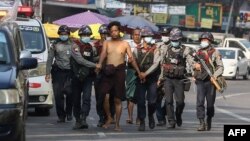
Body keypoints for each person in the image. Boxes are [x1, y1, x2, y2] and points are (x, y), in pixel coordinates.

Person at [96, 21, 141, 131]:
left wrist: (138, 71)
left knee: (117, 100)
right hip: (108, 70)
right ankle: (109, 118)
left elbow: (131, 58)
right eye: (111, 31)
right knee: (104, 96)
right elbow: (103, 54)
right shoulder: (107, 42)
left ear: (119, 31)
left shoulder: (125, 44)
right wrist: (99, 64)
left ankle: (117, 124)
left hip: (120, 72)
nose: (114, 33)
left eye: (115, 30)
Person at [158, 27, 195, 128]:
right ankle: (171, 121)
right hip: (168, 78)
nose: (174, 42)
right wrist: (160, 78)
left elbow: (191, 61)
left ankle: (178, 115)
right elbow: (162, 64)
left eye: (176, 40)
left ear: (180, 39)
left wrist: (194, 70)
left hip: (179, 79)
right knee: (168, 101)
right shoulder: (166, 48)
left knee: (180, 102)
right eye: (173, 40)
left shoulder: (185, 49)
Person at [193, 32, 224, 131]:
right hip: (200, 80)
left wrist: (214, 76)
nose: (203, 42)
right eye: (202, 40)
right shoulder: (197, 52)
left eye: (205, 40)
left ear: (210, 41)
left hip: (211, 82)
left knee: (210, 104)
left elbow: (221, 67)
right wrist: (194, 66)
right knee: (200, 102)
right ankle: (201, 122)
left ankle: (209, 118)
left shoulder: (215, 52)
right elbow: (191, 63)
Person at [70, 25, 99, 129]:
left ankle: (83, 118)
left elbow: (92, 59)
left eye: (88, 35)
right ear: (80, 35)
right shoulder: (74, 46)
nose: (86, 36)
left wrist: (102, 56)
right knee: (76, 99)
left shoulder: (90, 47)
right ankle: (77, 120)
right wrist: (95, 65)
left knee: (87, 98)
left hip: (87, 77)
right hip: (76, 76)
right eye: (84, 35)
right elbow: (80, 60)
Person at [134, 27, 162, 131]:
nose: (148, 38)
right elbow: (133, 62)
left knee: (152, 102)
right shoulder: (137, 49)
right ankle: (142, 121)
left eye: (150, 36)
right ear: (143, 38)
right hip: (140, 78)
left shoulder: (156, 49)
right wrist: (139, 73)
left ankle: (151, 116)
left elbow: (156, 64)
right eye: (146, 36)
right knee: (141, 101)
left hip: (151, 79)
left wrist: (145, 73)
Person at [45, 25, 73, 123]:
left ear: (68, 34)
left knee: (70, 93)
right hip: (58, 72)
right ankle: (61, 116)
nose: (63, 35)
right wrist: (47, 72)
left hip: (70, 72)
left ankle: (69, 112)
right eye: (61, 34)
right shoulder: (55, 44)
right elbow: (50, 58)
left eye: (65, 34)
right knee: (58, 95)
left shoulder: (73, 44)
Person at [93, 24, 115, 127]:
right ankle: (101, 117)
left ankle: (111, 116)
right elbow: (92, 59)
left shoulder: (113, 44)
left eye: (106, 33)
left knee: (112, 97)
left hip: (111, 73)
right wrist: (101, 57)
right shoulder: (96, 45)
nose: (104, 35)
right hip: (100, 73)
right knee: (100, 97)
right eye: (102, 34)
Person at [155, 26, 171, 127]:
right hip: (157, 75)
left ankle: (165, 113)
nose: (164, 36)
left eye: (166, 35)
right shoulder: (157, 46)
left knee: (168, 99)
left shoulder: (175, 46)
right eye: (163, 35)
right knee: (157, 99)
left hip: (169, 75)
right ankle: (160, 119)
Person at [126, 28, 142, 125]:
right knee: (130, 95)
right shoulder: (128, 45)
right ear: (132, 35)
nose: (137, 36)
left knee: (140, 96)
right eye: (135, 34)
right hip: (131, 71)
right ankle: (130, 117)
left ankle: (139, 118)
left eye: (139, 34)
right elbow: (127, 59)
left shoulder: (145, 45)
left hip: (142, 71)